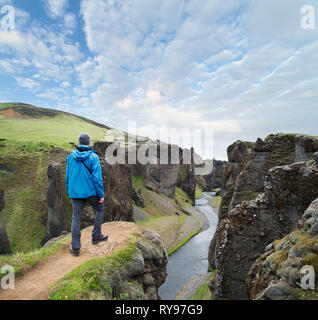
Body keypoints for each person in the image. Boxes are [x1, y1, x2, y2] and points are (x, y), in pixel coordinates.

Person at [65, 133, 108, 257]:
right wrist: (100, 194)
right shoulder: (93, 157)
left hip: (75, 193)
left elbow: (67, 178)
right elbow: (97, 178)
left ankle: (75, 247)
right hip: (90, 192)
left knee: (76, 218)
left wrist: (70, 191)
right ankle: (96, 236)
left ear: (79, 142)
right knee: (100, 209)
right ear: (89, 143)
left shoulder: (70, 157)